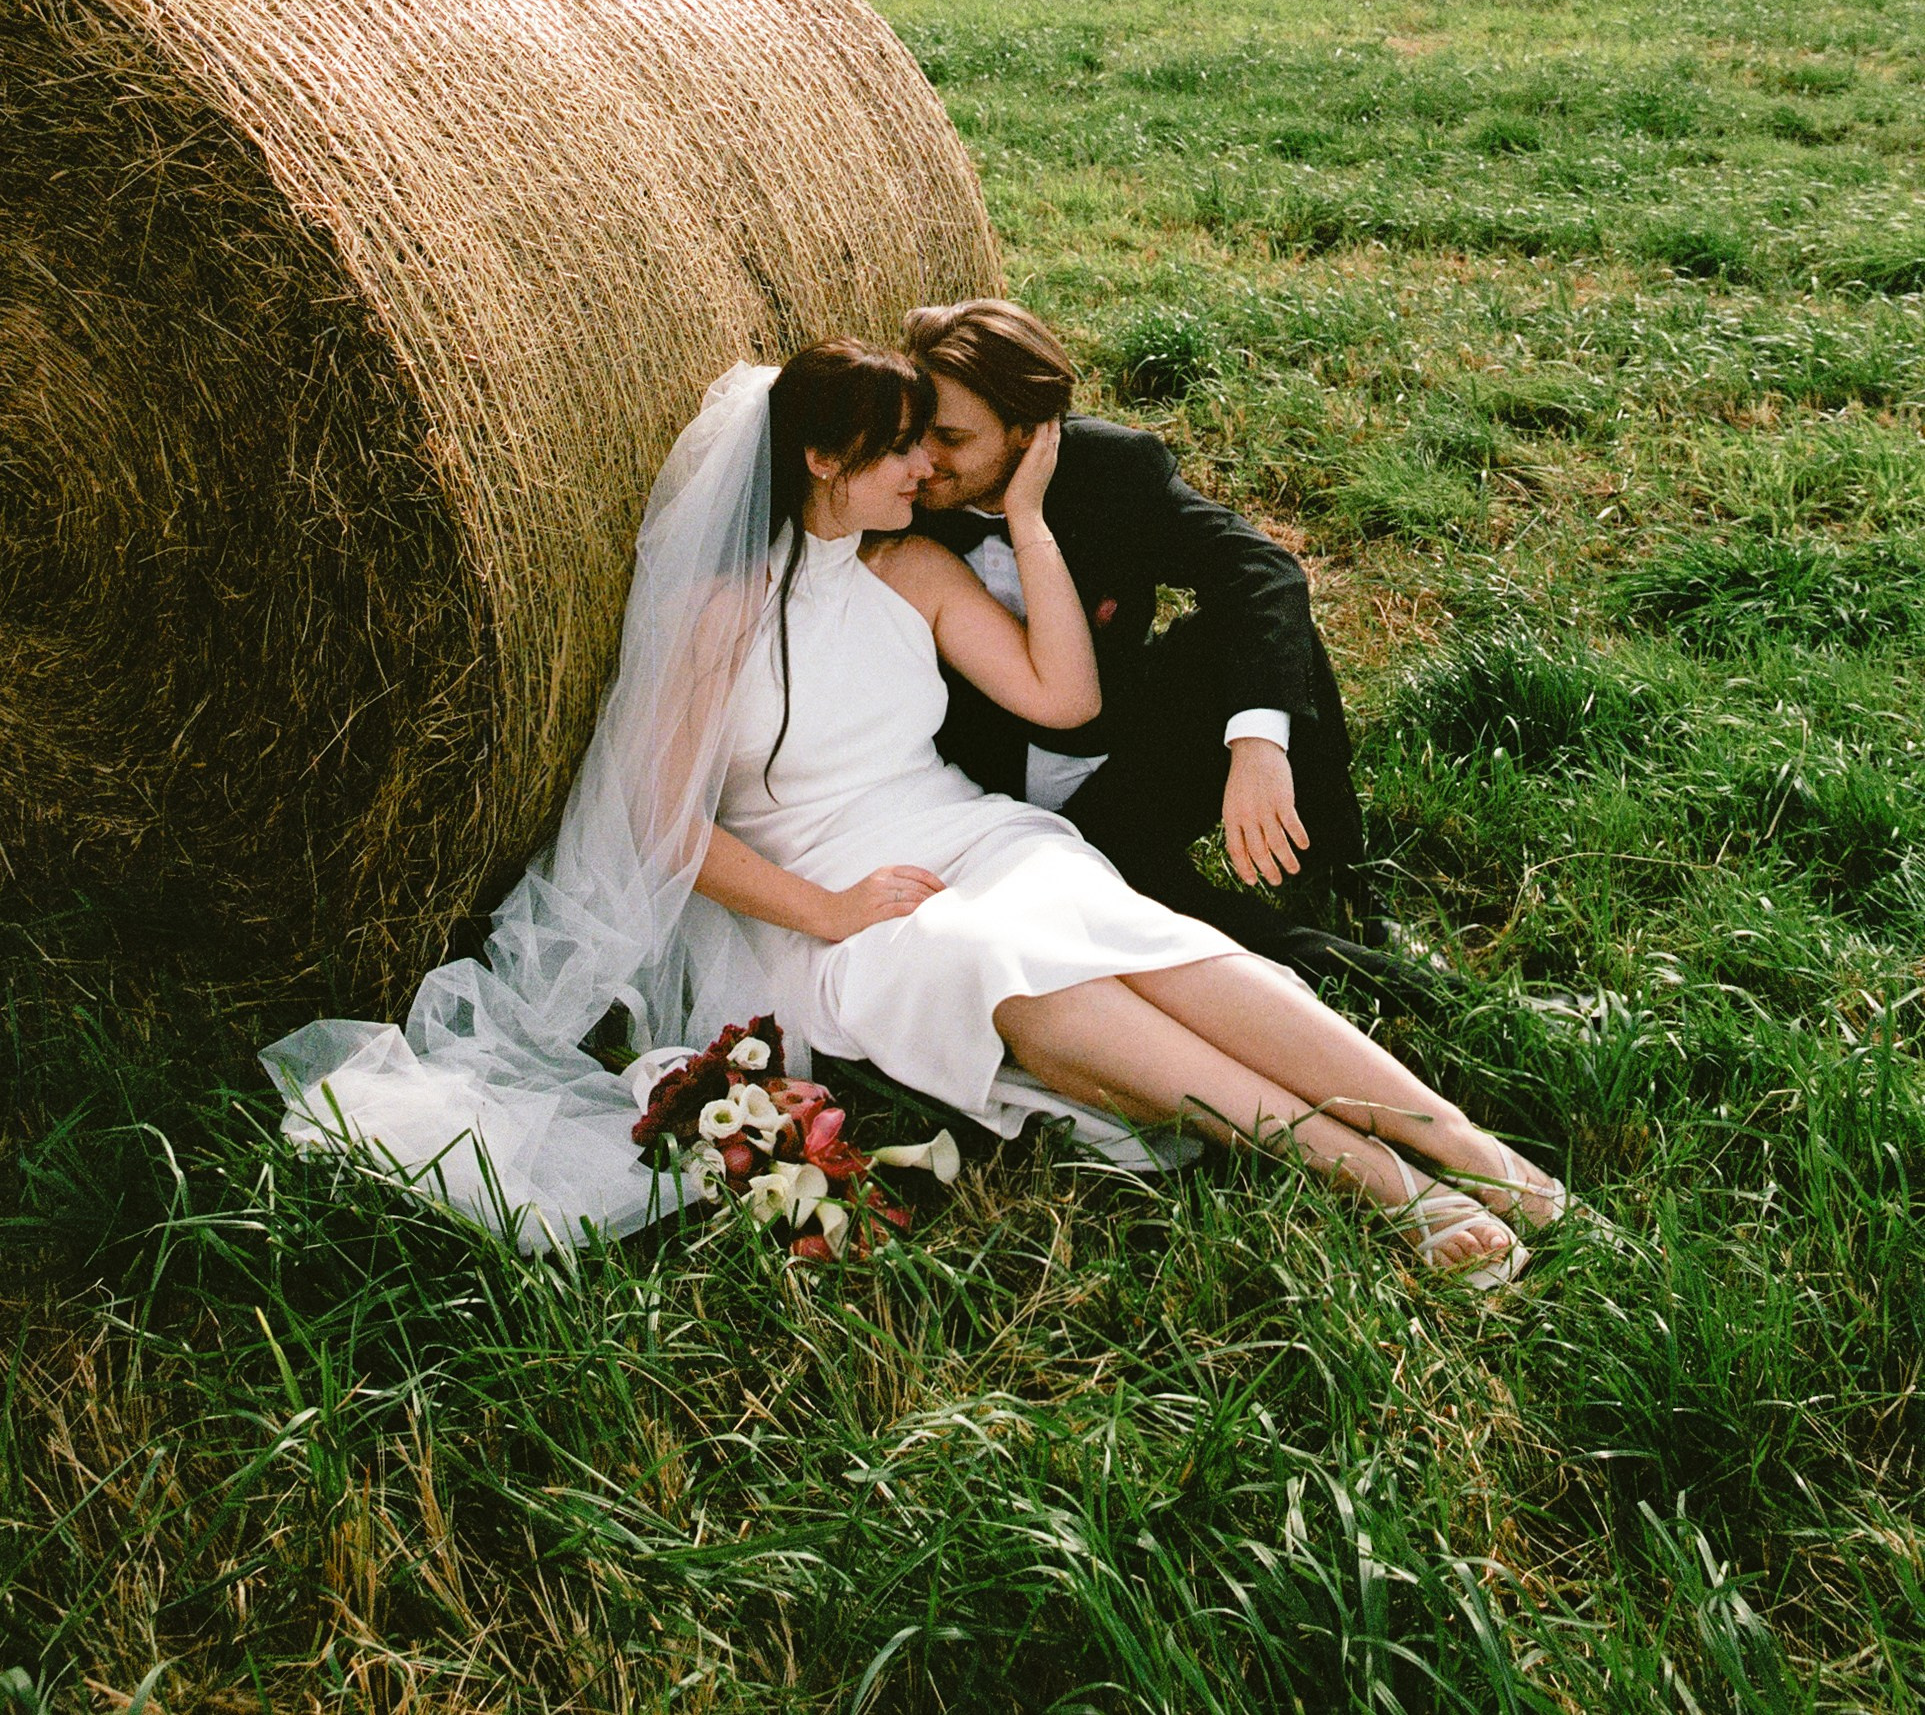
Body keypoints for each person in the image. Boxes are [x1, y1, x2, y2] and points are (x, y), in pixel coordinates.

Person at [271, 343, 1563, 1277]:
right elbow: (665, 827)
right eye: (899, 448)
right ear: (826, 458)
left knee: (1144, 938)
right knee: (997, 968)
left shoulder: (916, 564)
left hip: (959, 830)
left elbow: (1062, 695)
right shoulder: (724, 613)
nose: (923, 468)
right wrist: (831, 906)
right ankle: (1385, 1184)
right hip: (814, 900)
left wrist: (1030, 520)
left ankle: (1463, 1139)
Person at [903, 299, 1435, 1006]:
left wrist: (1256, 746)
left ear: (1027, 434)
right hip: (998, 806)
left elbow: (1261, 572)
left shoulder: (1110, 469)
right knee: (1207, 930)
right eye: (918, 429)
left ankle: (1340, 876)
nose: (923, 457)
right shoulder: (896, 497)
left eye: (950, 435)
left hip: (1127, 745)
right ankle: (1425, 996)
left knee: (1272, 637)